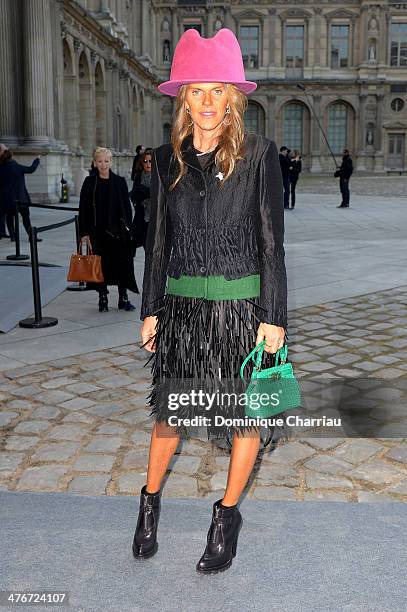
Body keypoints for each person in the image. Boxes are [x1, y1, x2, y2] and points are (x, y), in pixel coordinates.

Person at [133, 28, 287, 574]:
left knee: (247, 418)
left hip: (242, 311)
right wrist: (150, 309)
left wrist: (275, 316)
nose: (206, 102)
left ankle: (225, 517)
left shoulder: (258, 155)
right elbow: (156, 245)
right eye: (196, 90)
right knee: (169, 418)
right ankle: (148, 503)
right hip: (182, 313)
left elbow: (271, 242)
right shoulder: (165, 159)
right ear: (183, 97)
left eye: (216, 90)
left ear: (232, 98)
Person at [78, 147, 139, 312]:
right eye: (100, 161)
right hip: (97, 233)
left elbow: (126, 208)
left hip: (118, 233)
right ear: (94, 163)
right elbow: (83, 209)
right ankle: (102, 297)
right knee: (101, 267)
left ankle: (123, 297)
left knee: (122, 265)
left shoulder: (119, 181)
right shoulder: (90, 182)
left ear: (110, 162)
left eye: (106, 161)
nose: (103, 165)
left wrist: (129, 231)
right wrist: (84, 233)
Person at [0, 149, 41, 242]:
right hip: (21, 199)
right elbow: (31, 169)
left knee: (9, 218)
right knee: (26, 218)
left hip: (8, 200)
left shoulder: (1, 168)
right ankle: (31, 236)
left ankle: (13, 236)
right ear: (11, 156)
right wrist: (37, 160)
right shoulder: (17, 167)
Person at [129, 148, 153, 253]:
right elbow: (133, 195)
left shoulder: (159, 177)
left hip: (155, 219)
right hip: (142, 219)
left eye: (150, 161)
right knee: (146, 249)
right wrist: (146, 192)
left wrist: (142, 191)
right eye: (145, 161)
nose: (148, 164)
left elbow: (157, 194)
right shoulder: (139, 176)